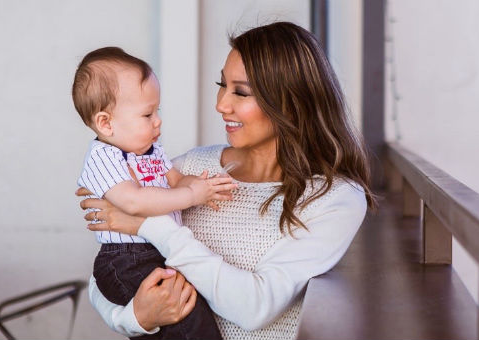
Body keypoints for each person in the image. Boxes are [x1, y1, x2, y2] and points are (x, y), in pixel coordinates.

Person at [78, 22, 376, 340]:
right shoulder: (190, 168)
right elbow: (107, 275)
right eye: (222, 84)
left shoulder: (335, 198)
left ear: (289, 102)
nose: (221, 104)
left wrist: (148, 224)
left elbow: (255, 307)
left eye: (241, 92)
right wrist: (136, 318)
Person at [72, 46, 236, 339]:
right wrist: (192, 196)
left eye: (157, 110)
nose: (157, 120)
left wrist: (202, 186)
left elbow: (175, 179)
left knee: (185, 314)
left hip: (153, 254)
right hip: (125, 259)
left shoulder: (151, 151)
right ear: (105, 123)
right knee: (187, 321)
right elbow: (134, 203)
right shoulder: (104, 157)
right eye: (147, 114)